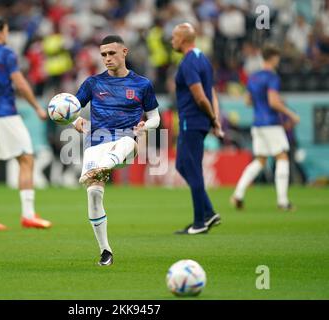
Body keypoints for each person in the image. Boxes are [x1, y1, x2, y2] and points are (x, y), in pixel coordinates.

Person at [72, 35, 160, 266]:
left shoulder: (142, 84)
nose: (107, 58)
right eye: (103, 54)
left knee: (128, 141)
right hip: (96, 144)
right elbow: (70, 110)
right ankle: (105, 251)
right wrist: (76, 122)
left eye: (111, 53)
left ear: (124, 52)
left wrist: (145, 125)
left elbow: (155, 117)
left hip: (126, 143)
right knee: (93, 194)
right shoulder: (92, 83)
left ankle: (104, 166)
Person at [0, 18, 52, 230]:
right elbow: (21, 84)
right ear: (0, 32)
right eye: (6, 30)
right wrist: (37, 108)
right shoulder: (6, 53)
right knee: (26, 159)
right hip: (5, 114)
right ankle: (28, 215)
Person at [231, 44, 300, 211]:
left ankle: (238, 195)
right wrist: (291, 114)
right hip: (271, 123)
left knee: (260, 160)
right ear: (274, 58)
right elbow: (273, 102)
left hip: (257, 124)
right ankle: (283, 201)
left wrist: (260, 101)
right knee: (282, 156)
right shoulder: (272, 77)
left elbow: (247, 101)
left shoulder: (253, 77)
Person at [170, 23, 224, 235]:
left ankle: (199, 222)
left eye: (174, 36)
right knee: (183, 165)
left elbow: (201, 95)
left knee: (190, 167)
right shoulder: (203, 58)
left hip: (191, 121)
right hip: (199, 121)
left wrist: (213, 118)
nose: (171, 40)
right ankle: (208, 211)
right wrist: (214, 118)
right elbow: (211, 91)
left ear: (183, 39)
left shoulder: (188, 63)